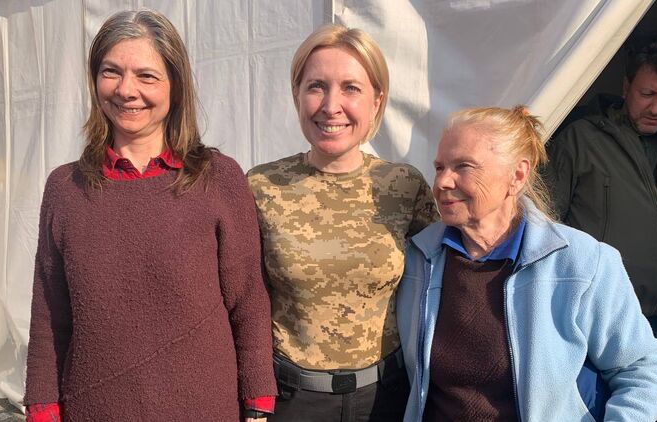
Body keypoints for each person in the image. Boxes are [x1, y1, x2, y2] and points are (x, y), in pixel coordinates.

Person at [23, 10, 276, 421]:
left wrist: (258, 402)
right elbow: (50, 312)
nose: (126, 90)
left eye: (146, 76)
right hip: (96, 409)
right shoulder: (65, 189)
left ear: (175, 85)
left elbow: (248, 300)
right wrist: (41, 406)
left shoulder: (217, 178)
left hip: (204, 408)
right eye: (111, 72)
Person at [397, 106, 657, 421]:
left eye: (464, 166)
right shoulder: (417, 258)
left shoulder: (582, 262)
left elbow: (640, 367)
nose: (442, 182)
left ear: (517, 175)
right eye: (439, 167)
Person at [246, 24, 438, 422]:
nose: (331, 106)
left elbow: (440, 286)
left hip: (386, 399)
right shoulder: (262, 186)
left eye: (351, 88)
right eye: (316, 86)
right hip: (292, 402)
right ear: (297, 95)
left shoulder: (403, 185)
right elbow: (243, 300)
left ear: (376, 101)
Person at [545, 39, 657, 342]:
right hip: (595, 314)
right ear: (626, 87)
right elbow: (544, 221)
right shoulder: (581, 138)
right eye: (647, 94)